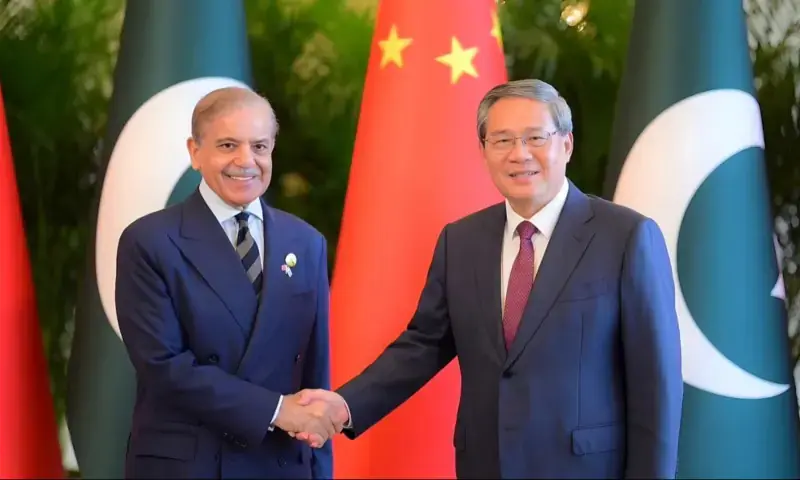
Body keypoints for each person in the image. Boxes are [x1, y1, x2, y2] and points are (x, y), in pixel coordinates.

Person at [293, 79, 683, 479]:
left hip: (586, 467)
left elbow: (656, 384)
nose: (519, 153)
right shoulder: (461, 241)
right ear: (483, 151)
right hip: (486, 464)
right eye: (502, 140)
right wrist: (346, 405)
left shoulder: (626, 237)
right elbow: (423, 345)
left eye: (535, 138)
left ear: (566, 144)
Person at [115, 86, 336, 479]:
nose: (246, 161)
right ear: (195, 152)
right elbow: (163, 366)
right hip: (191, 466)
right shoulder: (149, 241)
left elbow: (315, 376)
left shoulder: (306, 243)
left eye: (259, 146)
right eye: (228, 145)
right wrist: (275, 410)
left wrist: (319, 469)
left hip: (280, 465)